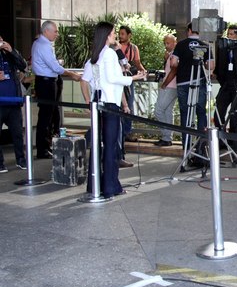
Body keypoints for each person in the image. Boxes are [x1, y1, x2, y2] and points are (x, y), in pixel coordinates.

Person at [88, 22, 146, 197]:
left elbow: (92, 79)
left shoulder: (97, 54)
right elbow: (114, 78)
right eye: (113, 33)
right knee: (111, 147)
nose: (115, 36)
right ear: (107, 35)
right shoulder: (109, 54)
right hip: (110, 104)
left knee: (98, 145)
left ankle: (95, 185)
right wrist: (134, 77)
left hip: (98, 101)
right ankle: (111, 186)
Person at [31, 20, 81, 159]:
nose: (57, 34)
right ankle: (43, 149)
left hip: (47, 81)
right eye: (55, 31)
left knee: (50, 115)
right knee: (46, 116)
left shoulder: (40, 43)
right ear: (46, 31)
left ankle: (46, 147)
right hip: (46, 82)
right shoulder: (43, 45)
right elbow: (55, 67)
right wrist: (72, 74)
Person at [164, 23, 213, 152]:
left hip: (182, 83)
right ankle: (201, 148)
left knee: (185, 113)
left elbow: (174, 63)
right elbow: (210, 66)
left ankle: (186, 148)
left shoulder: (180, 45)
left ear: (189, 31)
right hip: (199, 81)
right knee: (201, 112)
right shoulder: (205, 45)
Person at [214, 24, 237, 146]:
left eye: (232, 34)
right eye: (228, 34)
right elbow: (219, 65)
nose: (229, 37)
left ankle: (234, 144)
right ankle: (221, 140)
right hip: (226, 84)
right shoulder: (223, 48)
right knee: (219, 110)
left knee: (235, 114)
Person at [0, 36, 28, 172]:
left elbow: (23, 65)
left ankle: (21, 160)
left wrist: (11, 51)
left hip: (13, 102)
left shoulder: (9, 54)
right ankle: (0, 163)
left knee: (17, 133)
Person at [118, 25, 145, 143]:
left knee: (128, 105)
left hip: (128, 80)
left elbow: (137, 63)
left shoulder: (133, 48)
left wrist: (144, 71)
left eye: (123, 34)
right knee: (118, 106)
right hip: (118, 80)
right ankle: (119, 132)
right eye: (119, 33)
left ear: (129, 35)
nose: (120, 36)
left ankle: (127, 132)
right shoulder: (115, 47)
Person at [153, 34, 177, 146]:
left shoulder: (175, 55)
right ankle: (167, 138)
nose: (166, 45)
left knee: (158, 111)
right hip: (172, 86)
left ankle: (166, 134)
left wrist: (165, 84)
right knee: (167, 111)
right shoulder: (171, 55)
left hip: (170, 86)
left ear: (174, 42)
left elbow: (174, 70)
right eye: (165, 43)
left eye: (168, 43)